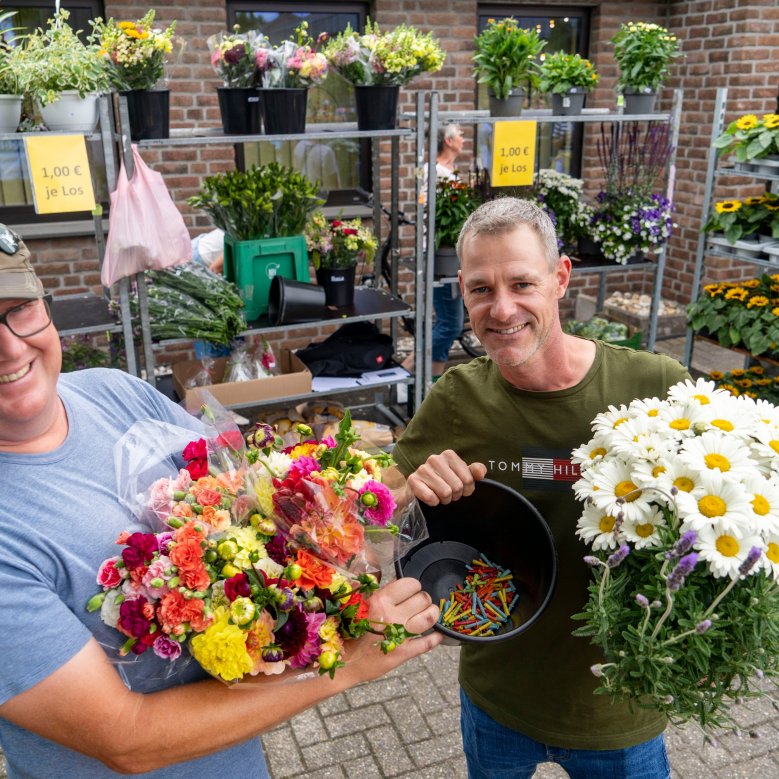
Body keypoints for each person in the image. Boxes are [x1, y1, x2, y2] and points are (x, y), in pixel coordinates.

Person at [0, 227, 442, 778]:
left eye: (18, 310)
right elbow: (125, 737)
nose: (10, 347)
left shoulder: (112, 390)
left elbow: (254, 490)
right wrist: (347, 664)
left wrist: (363, 513)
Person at [391, 199, 689, 779]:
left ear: (560, 278)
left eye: (522, 282)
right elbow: (373, 498)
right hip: (498, 699)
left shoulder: (655, 387)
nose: (502, 309)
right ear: (462, 292)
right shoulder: (459, 397)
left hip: (616, 709)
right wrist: (410, 489)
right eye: (481, 289)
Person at [403, 123, 466, 377]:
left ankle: (434, 379)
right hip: (439, 256)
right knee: (451, 324)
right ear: (449, 141)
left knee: (447, 321)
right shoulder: (434, 172)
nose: (464, 138)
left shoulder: (445, 172)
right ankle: (408, 366)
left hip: (451, 253)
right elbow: (433, 214)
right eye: (460, 134)